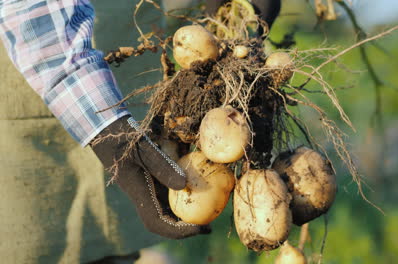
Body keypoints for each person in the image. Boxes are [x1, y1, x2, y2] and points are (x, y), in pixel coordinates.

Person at [0, 0, 280, 263]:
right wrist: (108, 129)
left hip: (128, 62)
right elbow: (38, 23)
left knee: (119, 241)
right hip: (37, 59)